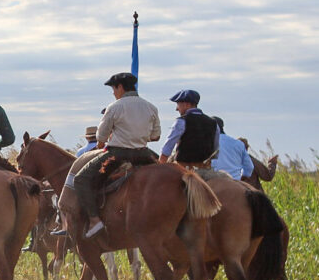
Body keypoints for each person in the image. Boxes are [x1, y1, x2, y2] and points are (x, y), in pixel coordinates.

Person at [51, 72, 160, 239]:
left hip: (118, 154)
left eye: (113, 89)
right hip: (144, 154)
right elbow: (156, 136)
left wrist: (106, 142)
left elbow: (101, 139)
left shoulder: (115, 107)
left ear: (120, 87)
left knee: (81, 179)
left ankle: (95, 220)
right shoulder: (151, 107)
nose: (113, 93)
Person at [158, 89, 219, 168]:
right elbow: (216, 150)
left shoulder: (181, 121)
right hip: (205, 168)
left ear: (187, 104)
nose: (177, 108)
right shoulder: (214, 123)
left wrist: (160, 165)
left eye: (178, 104)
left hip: (184, 168)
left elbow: (168, 146)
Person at [210, 116, 253, 181]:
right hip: (235, 181)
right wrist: (242, 178)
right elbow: (250, 167)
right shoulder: (238, 144)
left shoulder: (208, 143)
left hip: (213, 181)